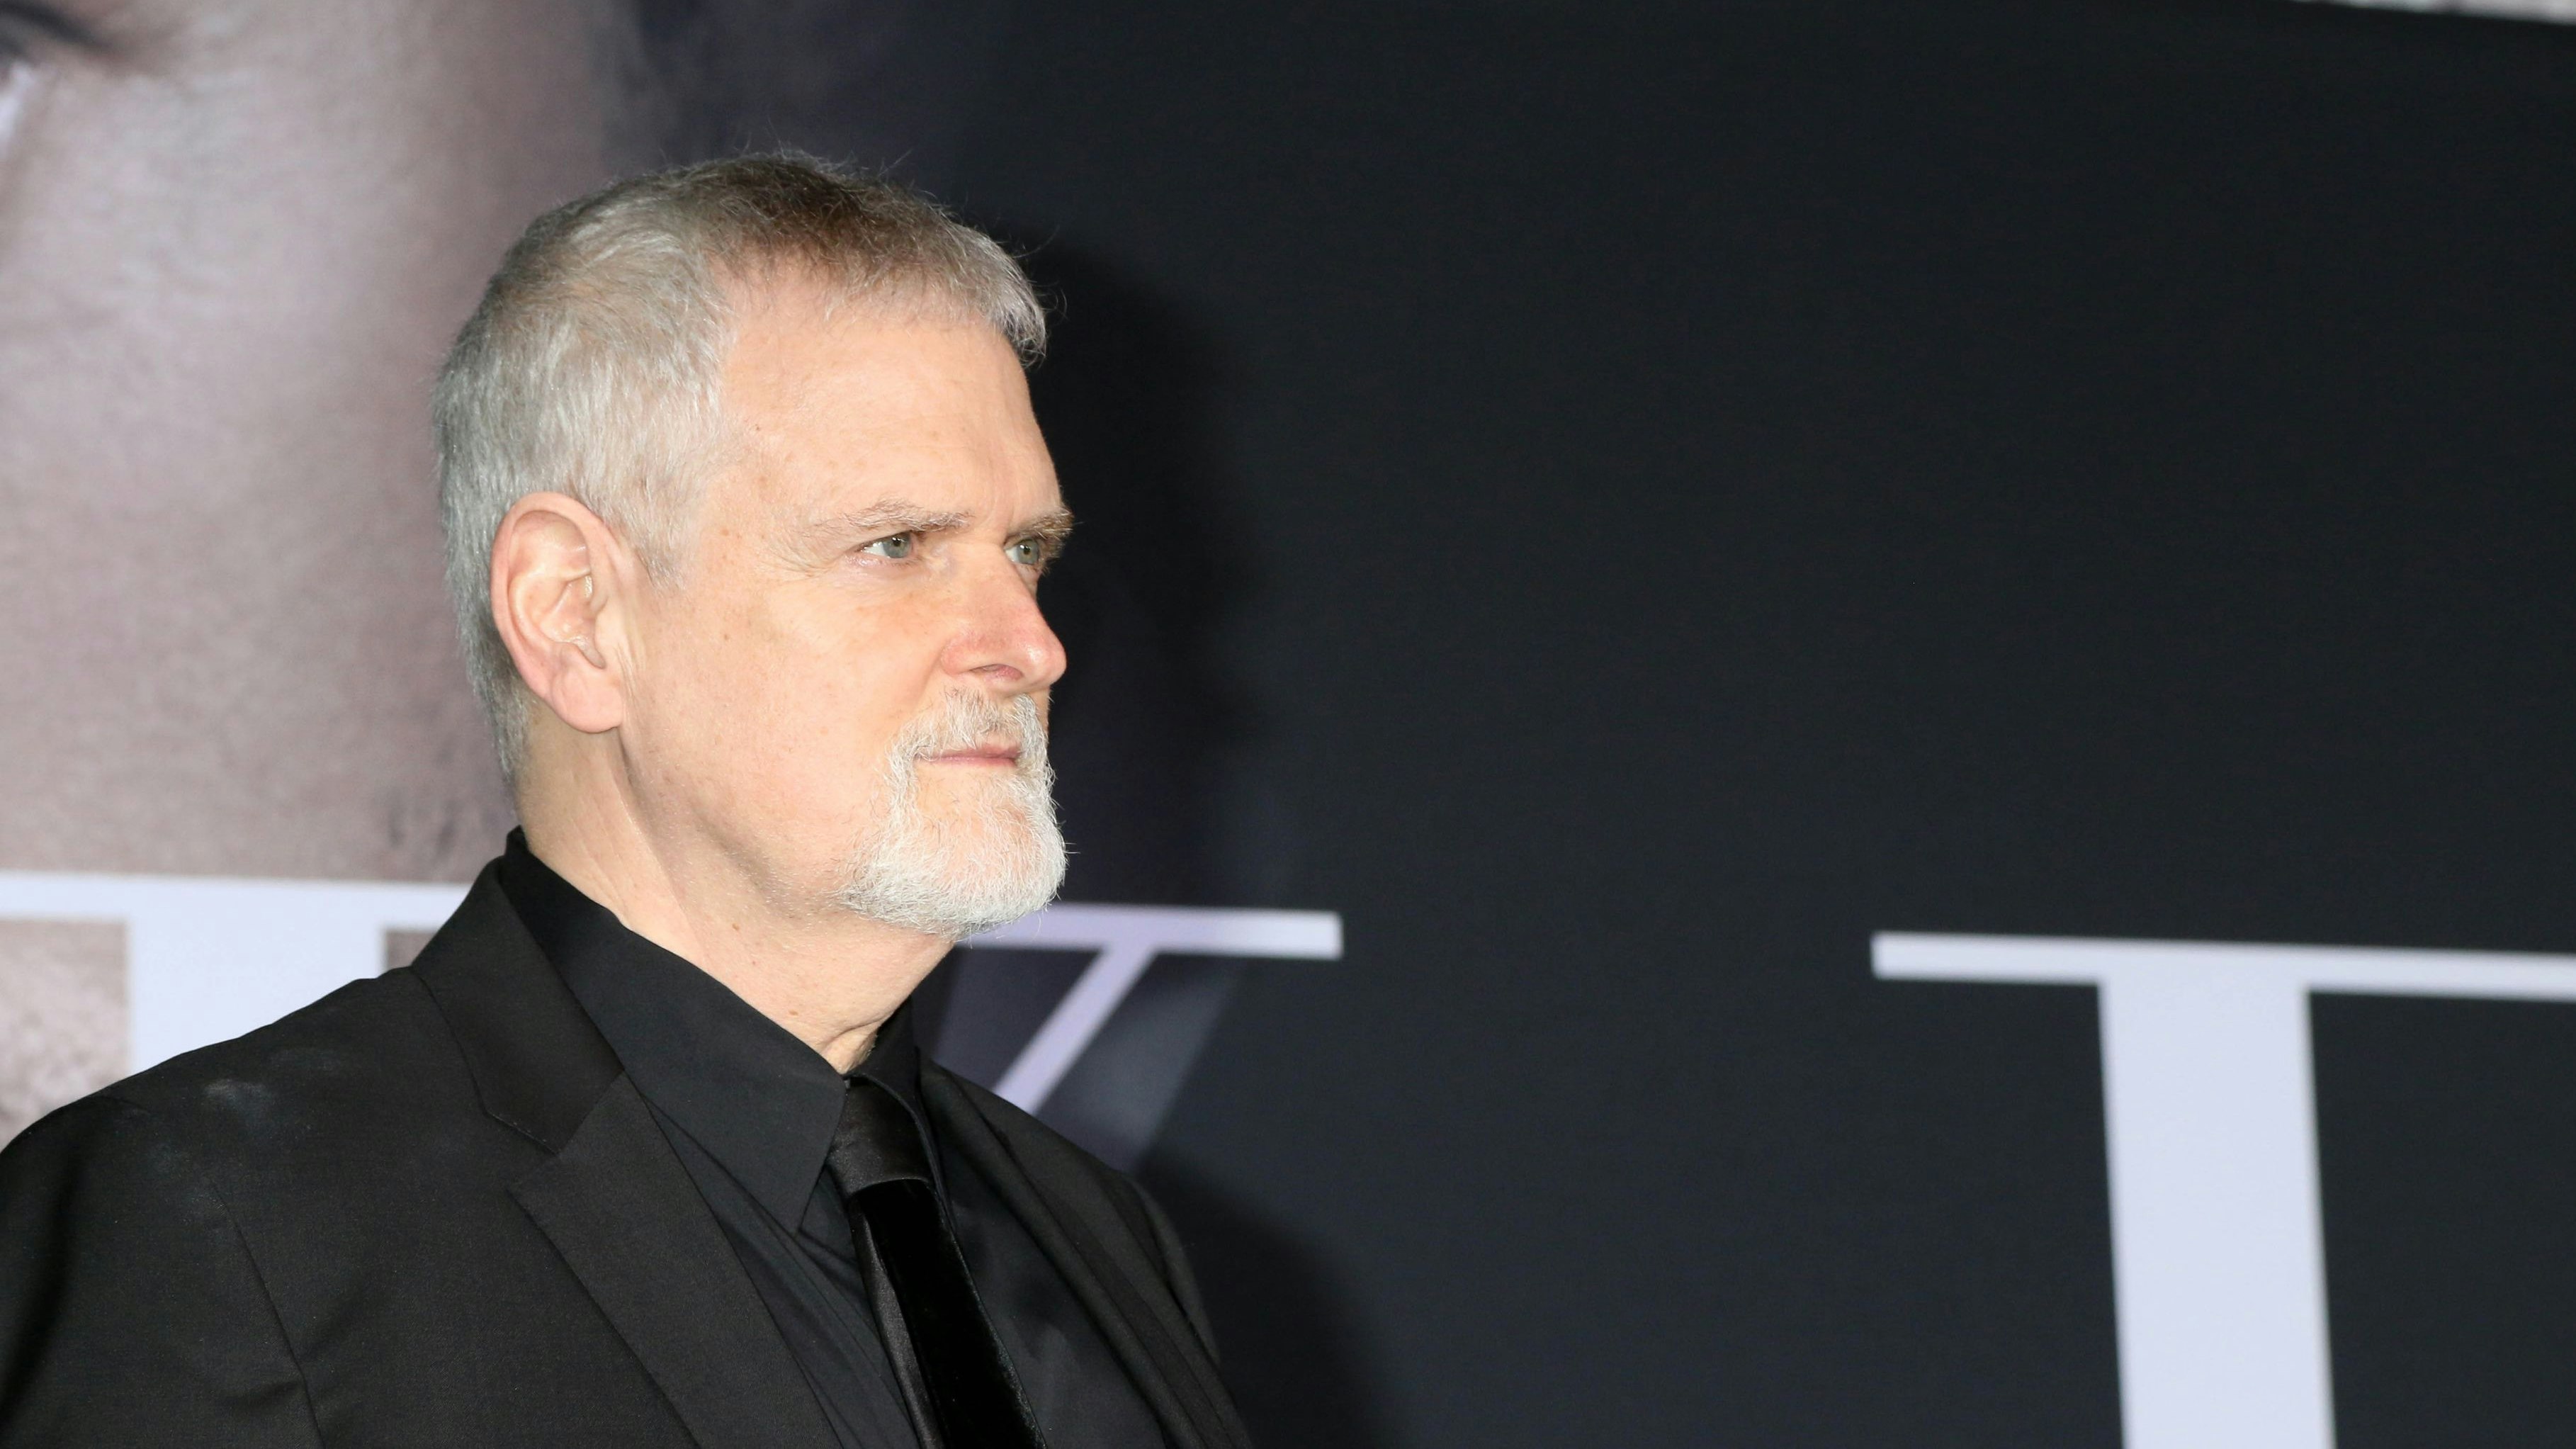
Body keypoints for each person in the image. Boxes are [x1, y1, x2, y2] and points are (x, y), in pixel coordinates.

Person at [0, 156, 1248, 1449]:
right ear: (575, 614)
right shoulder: (215, 1229)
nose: (1031, 646)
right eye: (896, 546)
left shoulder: (1097, 1242)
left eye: (1025, 552)